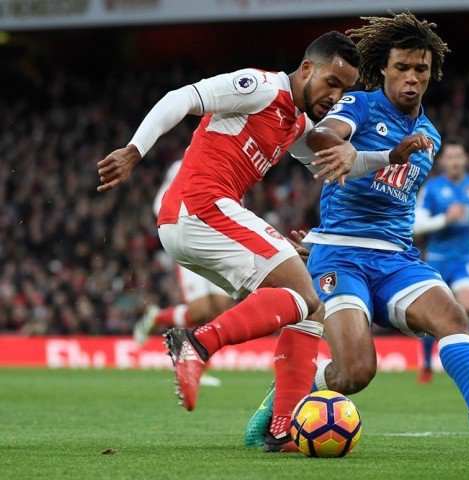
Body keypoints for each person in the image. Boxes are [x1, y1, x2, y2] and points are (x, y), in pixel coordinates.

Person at [245, 12, 469, 447]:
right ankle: (279, 403)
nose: (410, 78)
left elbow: (398, 204)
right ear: (383, 68)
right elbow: (323, 134)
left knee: (451, 315)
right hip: (342, 256)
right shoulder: (360, 105)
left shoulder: (430, 135)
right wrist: (348, 152)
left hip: (395, 257)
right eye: (401, 67)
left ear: (431, 74)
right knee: (355, 372)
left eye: (420, 69)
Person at [97, 31, 364, 452]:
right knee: (301, 292)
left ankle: (282, 428)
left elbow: (331, 159)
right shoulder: (260, 87)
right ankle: (198, 343)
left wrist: (391, 159)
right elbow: (181, 97)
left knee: (307, 308)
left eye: (345, 89)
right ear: (308, 68)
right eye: (332, 81)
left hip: (196, 221)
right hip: (199, 206)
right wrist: (135, 149)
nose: (336, 94)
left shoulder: (297, 121)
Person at [413, 138, 469, 383]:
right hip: (437, 259)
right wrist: (445, 219)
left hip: (467, 259)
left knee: (467, 307)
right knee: (431, 314)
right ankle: (428, 364)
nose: (454, 162)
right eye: (450, 157)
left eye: (458, 157)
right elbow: (416, 225)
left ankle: (463, 360)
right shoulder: (432, 189)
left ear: (465, 160)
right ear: (443, 162)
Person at [133, 160, 234, 344]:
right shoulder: (182, 165)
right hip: (190, 244)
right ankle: (157, 318)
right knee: (200, 311)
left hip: (218, 245)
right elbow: (160, 204)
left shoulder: (231, 163)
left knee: (221, 310)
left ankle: (195, 361)